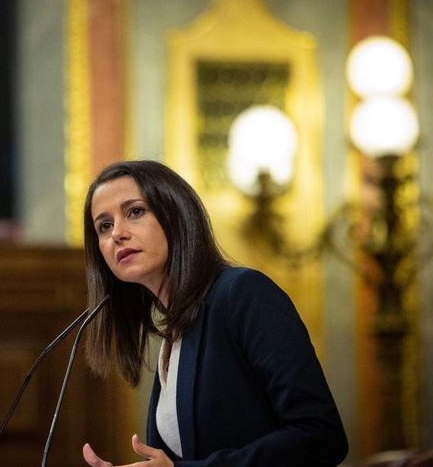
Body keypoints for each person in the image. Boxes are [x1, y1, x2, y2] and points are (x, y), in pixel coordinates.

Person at [80, 160, 348, 466]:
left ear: (175, 214)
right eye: (104, 226)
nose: (117, 233)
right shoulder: (173, 337)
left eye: (135, 211)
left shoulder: (243, 295)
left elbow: (321, 436)